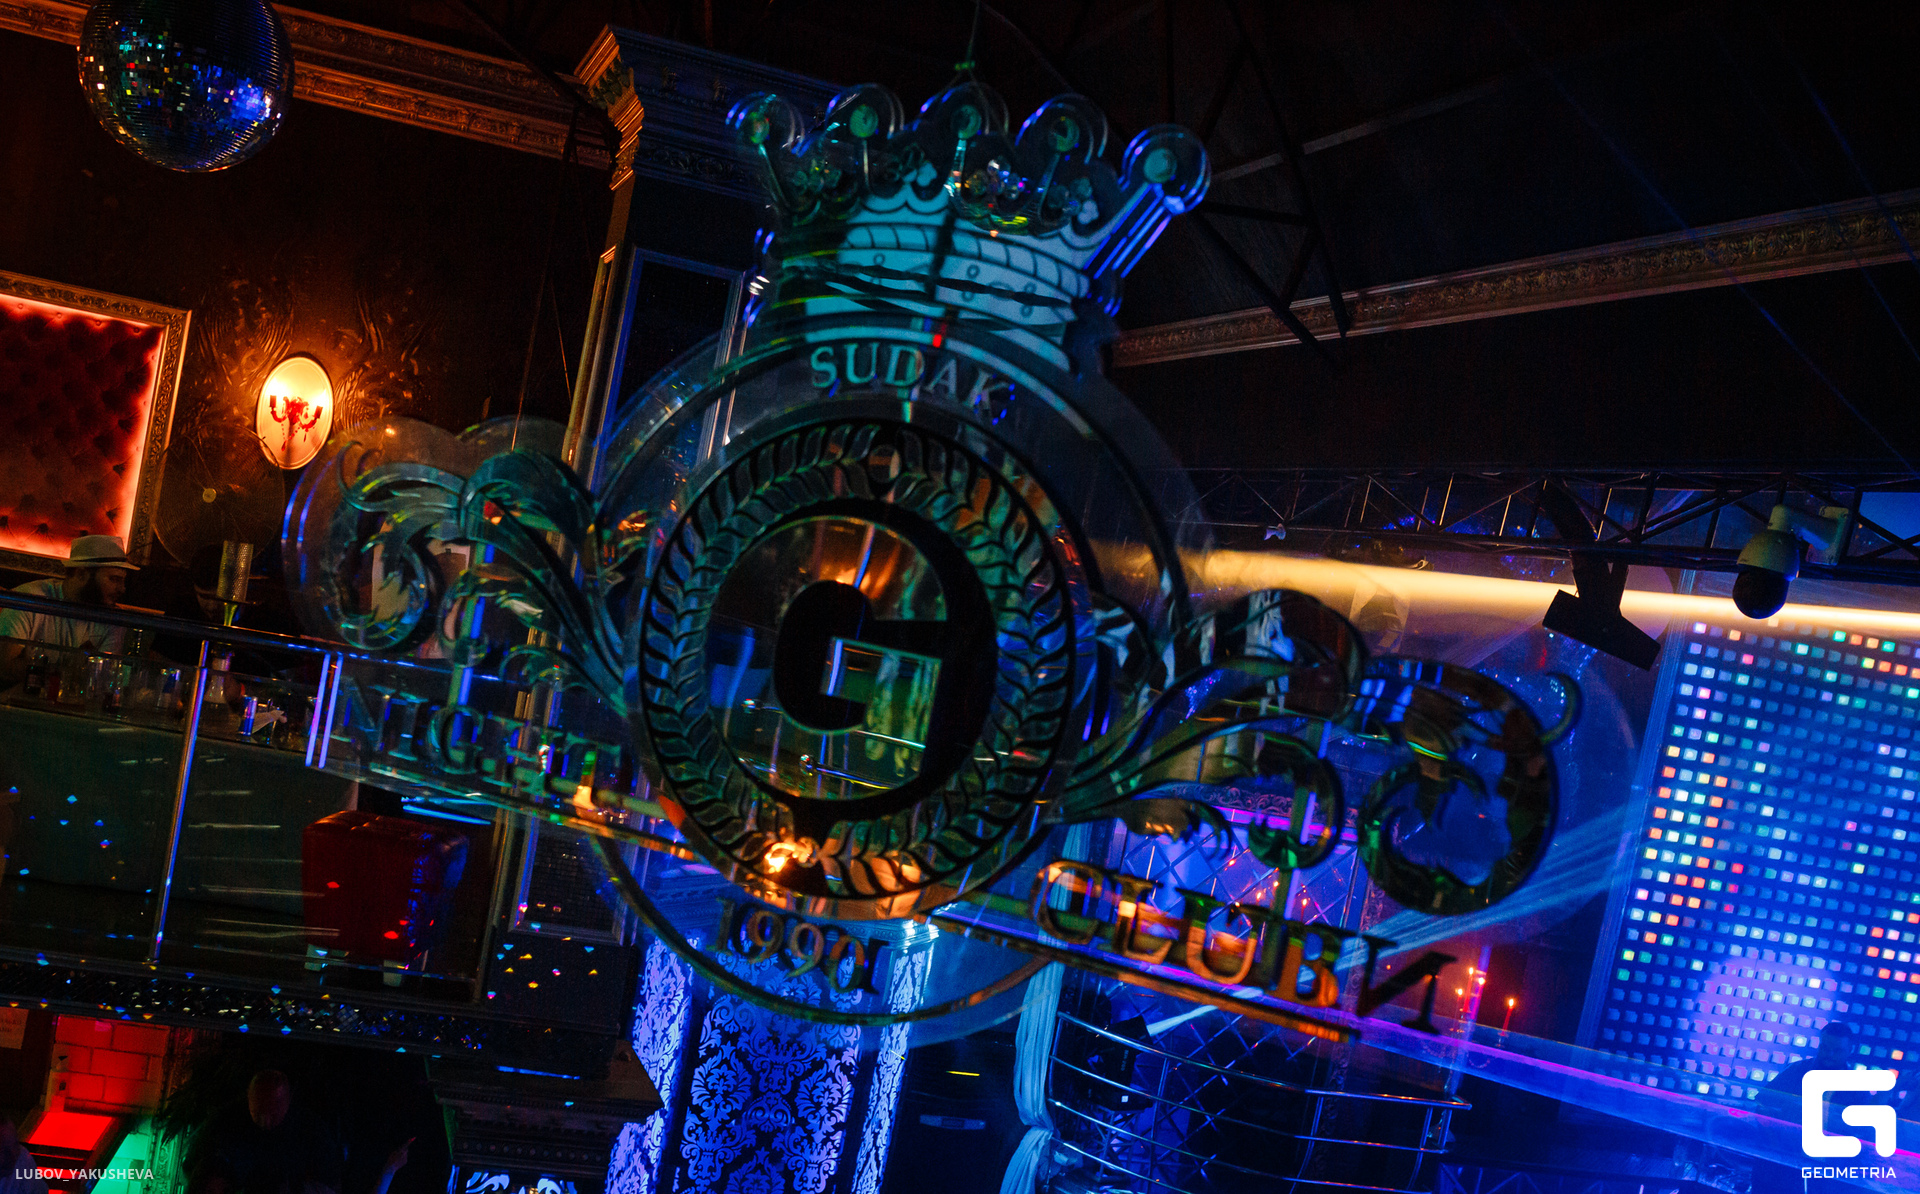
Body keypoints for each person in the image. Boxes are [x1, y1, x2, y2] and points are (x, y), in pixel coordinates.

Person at [0, 535, 137, 689]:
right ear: (81, 574)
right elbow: (5, 665)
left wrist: (43, 670)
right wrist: (69, 672)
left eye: (122, 581)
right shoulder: (29, 598)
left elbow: (103, 680)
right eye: (114, 579)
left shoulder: (112, 618)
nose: (122, 589)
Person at [190, 1070, 348, 1194]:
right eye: (258, 1113)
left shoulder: (311, 1130)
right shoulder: (224, 1124)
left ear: (287, 1102)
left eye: (273, 1114)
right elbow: (196, 1167)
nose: (266, 1122)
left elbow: (331, 1182)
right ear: (249, 1099)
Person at [0, 1110, 49, 1194]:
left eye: (15, 1145)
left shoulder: (22, 1159)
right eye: (4, 1150)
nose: (13, 1156)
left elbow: (39, 1191)